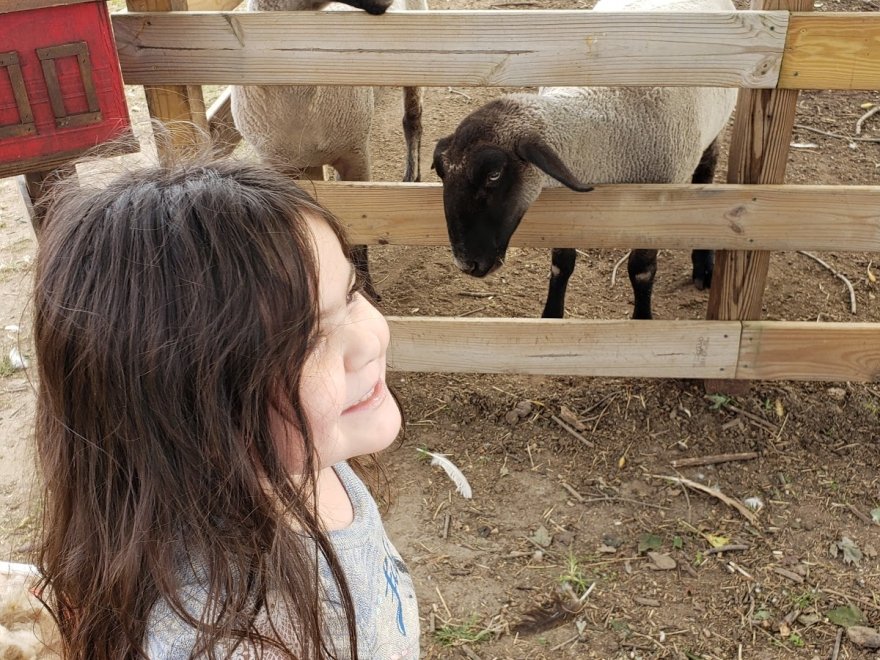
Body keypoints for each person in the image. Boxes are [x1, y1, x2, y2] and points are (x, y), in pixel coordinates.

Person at [31, 158, 419, 659]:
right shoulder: (231, 636)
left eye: (351, 293)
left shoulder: (300, 457)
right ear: (183, 409)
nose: (368, 340)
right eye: (305, 338)